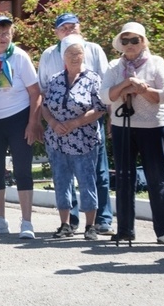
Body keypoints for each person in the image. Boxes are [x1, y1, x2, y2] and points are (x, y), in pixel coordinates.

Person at [38, 13, 113, 235]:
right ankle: (67, 223)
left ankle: (99, 221)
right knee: (62, 180)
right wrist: (51, 122)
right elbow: (44, 99)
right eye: (64, 27)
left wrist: (76, 122)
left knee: (94, 176)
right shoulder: (53, 74)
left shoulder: (94, 60)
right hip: (58, 136)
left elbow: (102, 99)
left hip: (85, 134)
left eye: (73, 26)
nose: (75, 56)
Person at [101, 22, 164, 244]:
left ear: (143, 41)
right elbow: (105, 96)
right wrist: (124, 85)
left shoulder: (156, 63)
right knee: (123, 179)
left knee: (156, 179)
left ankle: (163, 230)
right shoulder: (114, 66)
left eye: (135, 40)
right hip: (123, 126)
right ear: (120, 44)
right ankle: (125, 230)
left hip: (152, 127)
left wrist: (143, 90)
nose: (129, 45)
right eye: (125, 40)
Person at [0, 16, 42, 239]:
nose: (3, 37)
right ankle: (0, 219)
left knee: (23, 170)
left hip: (18, 119)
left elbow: (35, 93)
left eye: (7, 32)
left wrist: (33, 123)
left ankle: (27, 222)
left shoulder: (20, 57)